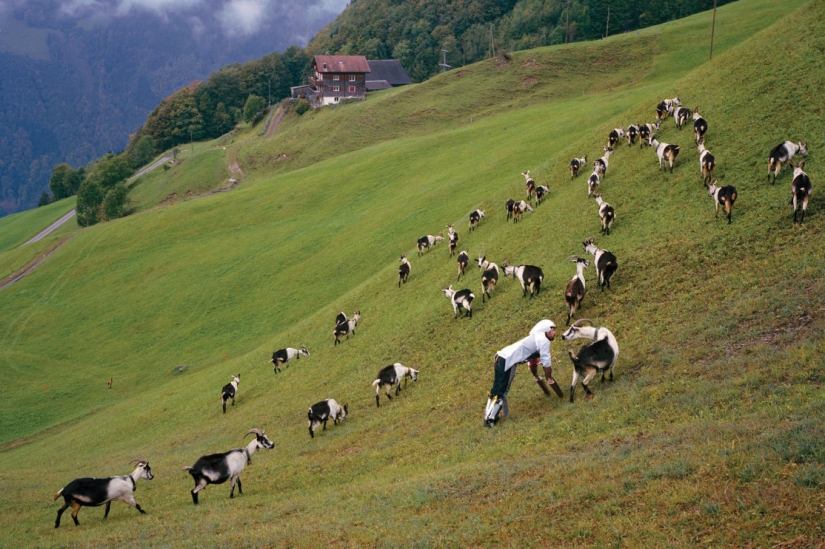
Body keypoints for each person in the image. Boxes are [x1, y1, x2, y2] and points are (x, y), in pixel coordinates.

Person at [484, 319, 557, 427]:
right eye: (552, 330)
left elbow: (532, 359)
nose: (554, 332)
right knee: (501, 391)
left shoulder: (536, 337)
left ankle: (492, 416)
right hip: (507, 360)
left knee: (496, 389)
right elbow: (546, 362)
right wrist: (549, 377)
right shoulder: (544, 340)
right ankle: (490, 420)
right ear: (546, 331)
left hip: (500, 356)